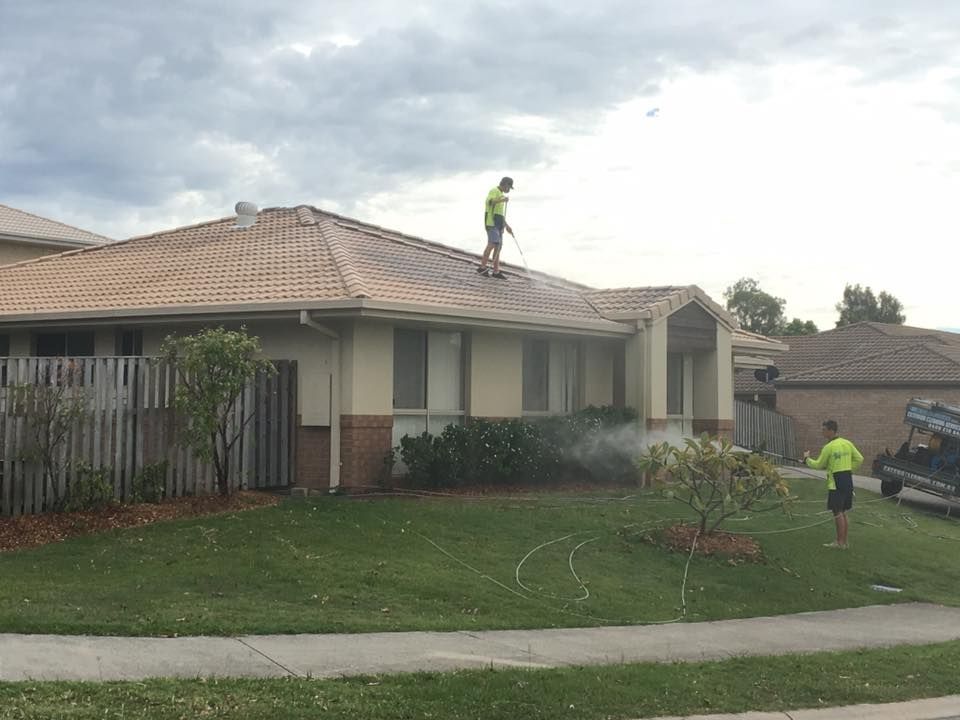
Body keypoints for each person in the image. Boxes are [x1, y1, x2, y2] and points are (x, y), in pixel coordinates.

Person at [803, 419, 863, 549]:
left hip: (836, 481)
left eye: (824, 430)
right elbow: (859, 459)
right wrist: (848, 469)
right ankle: (844, 542)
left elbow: (818, 464)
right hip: (847, 479)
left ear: (831, 430)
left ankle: (839, 542)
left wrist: (806, 459)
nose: (822, 432)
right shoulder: (847, 443)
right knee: (843, 511)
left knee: (837, 512)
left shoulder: (829, 447)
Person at [477, 176, 514, 279]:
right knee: (492, 244)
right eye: (509, 187)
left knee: (498, 247)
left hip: (499, 224)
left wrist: (507, 226)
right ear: (505, 184)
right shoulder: (494, 190)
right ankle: (482, 267)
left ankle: (496, 271)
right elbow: (490, 202)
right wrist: (501, 200)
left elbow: (500, 215)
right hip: (491, 223)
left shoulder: (501, 195)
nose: (509, 190)